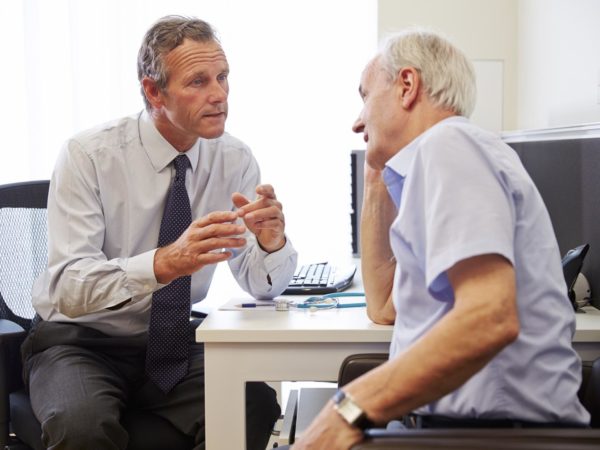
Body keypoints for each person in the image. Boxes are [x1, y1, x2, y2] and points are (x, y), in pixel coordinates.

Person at [292, 29, 590, 449]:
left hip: (490, 436)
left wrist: (349, 408)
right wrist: (377, 177)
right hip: (457, 427)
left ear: (407, 86)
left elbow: (490, 318)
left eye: (365, 96)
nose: (358, 120)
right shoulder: (442, 157)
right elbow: (384, 308)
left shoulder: (449, 146)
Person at [21, 15, 297, 450]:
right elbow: (69, 287)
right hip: (81, 342)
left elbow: (262, 286)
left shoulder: (234, 160)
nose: (220, 95)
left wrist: (271, 244)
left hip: (173, 344)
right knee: (83, 427)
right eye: (199, 82)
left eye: (223, 78)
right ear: (153, 91)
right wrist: (165, 262)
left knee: (254, 405)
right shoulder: (89, 155)